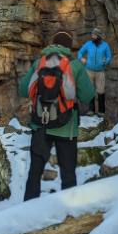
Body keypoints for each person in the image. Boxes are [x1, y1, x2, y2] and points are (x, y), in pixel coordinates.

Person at [19, 28, 95, 201]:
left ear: (53, 43)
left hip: (40, 125)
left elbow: (23, 90)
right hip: (66, 127)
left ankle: (26, 214)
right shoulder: (74, 65)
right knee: (68, 174)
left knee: (34, 172)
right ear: (69, 46)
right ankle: (68, 213)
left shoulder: (40, 63)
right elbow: (87, 95)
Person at [78, 28, 111, 117]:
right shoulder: (88, 44)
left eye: (94, 35)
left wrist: (105, 62)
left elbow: (109, 56)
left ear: (98, 36)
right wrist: (81, 58)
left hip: (100, 72)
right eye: (92, 35)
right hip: (89, 70)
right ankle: (91, 110)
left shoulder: (105, 45)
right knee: (90, 90)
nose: (92, 36)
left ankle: (101, 111)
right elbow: (80, 52)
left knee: (101, 91)